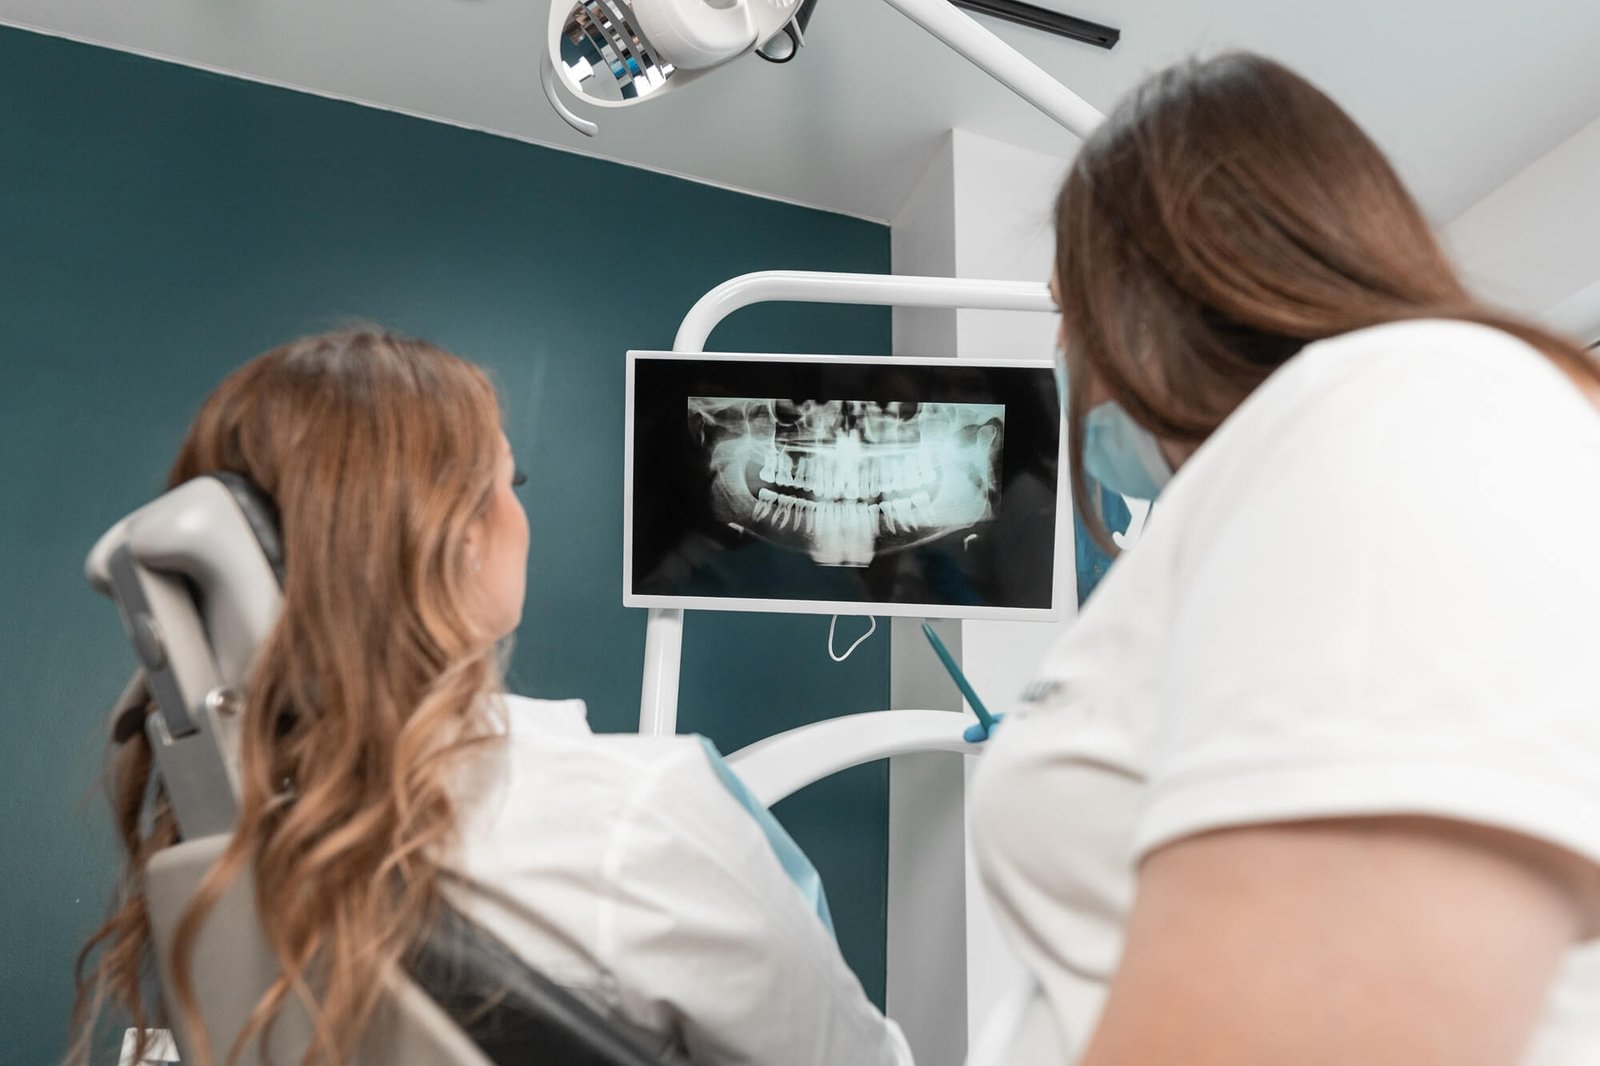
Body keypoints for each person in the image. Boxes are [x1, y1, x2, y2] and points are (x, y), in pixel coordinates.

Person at [968, 52, 1600, 1066]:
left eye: (1066, 303)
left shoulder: (1400, 412)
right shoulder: (1259, 497)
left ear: (1153, 287)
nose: (1061, 348)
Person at [69, 329, 911, 1066]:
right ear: (457, 534)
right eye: (513, 480)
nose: (519, 514)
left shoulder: (228, 828)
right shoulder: (630, 814)